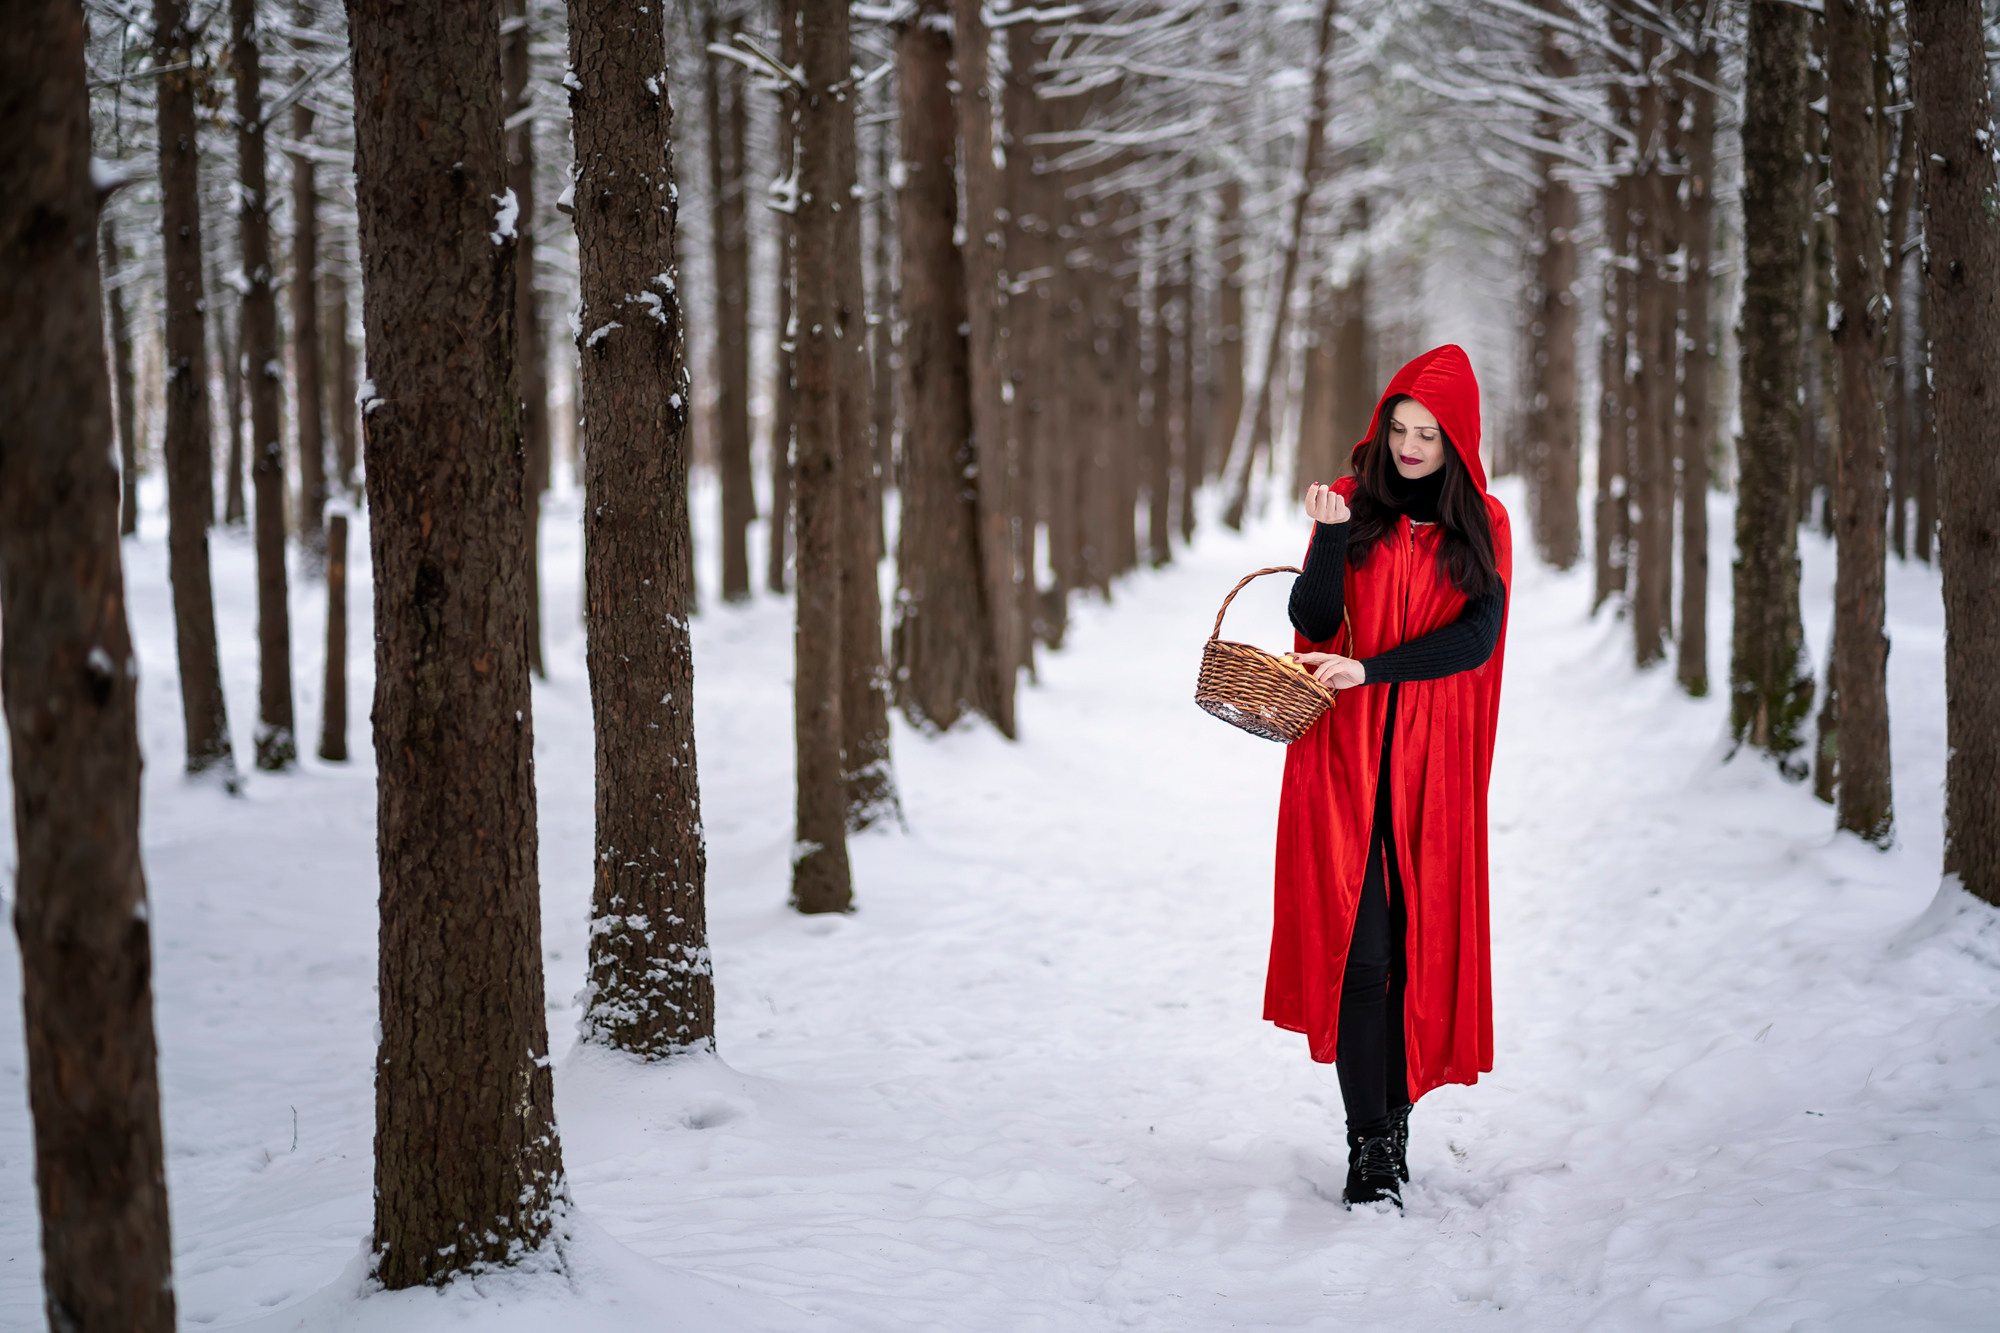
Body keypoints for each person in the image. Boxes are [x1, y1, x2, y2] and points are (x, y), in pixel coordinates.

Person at [1263, 344, 1511, 1209]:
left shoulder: (1483, 525)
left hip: (1430, 770)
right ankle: (1370, 1144)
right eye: (1399, 428)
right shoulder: (1353, 504)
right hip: (1343, 763)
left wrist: (1375, 671)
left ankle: (1395, 1117)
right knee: (1360, 953)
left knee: (1416, 950)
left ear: (1457, 441)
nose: (1408, 447)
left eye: (1427, 434)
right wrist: (1330, 539)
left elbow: (1475, 640)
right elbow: (1311, 617)